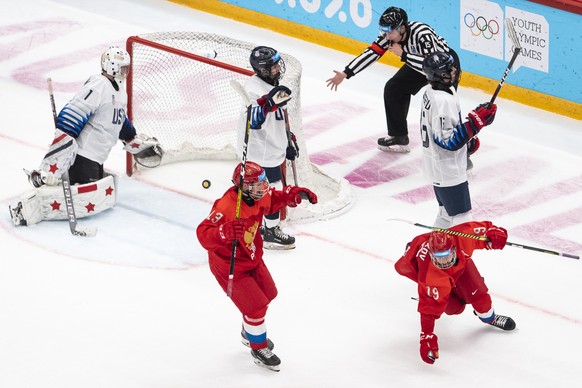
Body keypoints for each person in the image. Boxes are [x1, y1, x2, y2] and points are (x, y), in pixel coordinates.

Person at [9, 46, 162, 226]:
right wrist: (63, 144)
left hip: (96, 156)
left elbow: (117, 119)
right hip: (84, 155)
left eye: (127, 68)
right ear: (111, 66)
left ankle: (48, 182)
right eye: (122, 68)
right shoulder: (99, 85)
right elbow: (76, 110)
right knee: (86, 195)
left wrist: (131, 137)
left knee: (96, 193)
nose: (125, 72)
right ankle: (26, 207)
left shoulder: (120, 90)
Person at [196, 161, 317, 371]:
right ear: (244, 186)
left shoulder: (257, 196)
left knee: (268, 293)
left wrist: (292, 195)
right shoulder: (226, 207)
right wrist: (223, 232)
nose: (263, 187)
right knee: (256, 307)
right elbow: (203, 234)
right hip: (229, 265)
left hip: (252, 258)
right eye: (257, 184)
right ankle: (258, 347)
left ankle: (249, 332)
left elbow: (272, 201)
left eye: (263, 182)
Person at [326, 6, 462, 153]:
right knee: (394, 88)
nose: (387, 35)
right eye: (384, 31)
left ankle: (461, 149)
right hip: (419, 63)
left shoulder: (422, 34)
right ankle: (399, 136)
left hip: (445, 68)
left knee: (444, 105)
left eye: (390, 31)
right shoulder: (390, 36)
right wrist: (346, 73)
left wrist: (403, 55)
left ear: (402, 28)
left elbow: (432, 65)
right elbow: (372, 53)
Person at [394, 221, 516, 365]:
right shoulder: (430, 276)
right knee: (456, 308)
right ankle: (461, 292)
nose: (444, 261)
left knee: (480, 297)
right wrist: (427, 336)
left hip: (461, 267)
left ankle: (489, 318)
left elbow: (487, 228)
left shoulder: (462, 236)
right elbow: (428, 309)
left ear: (453, 248)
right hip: (439, 281)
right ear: (432, 256)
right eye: (439, 258)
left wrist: (496, 235)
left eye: (446, 255)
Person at [420, 52, 497, 228]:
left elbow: (442, 130)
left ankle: (436, 251)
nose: (455, 69)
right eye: (450, 68)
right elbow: (448, 141)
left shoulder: (433, 91)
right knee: (462, 220)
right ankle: (456, 255)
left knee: (446, 217)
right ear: (442, 75)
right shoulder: (442, 100)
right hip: (447, 170)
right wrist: (476, 123)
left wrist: (468, 138)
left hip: (437, 166)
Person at [237, 45, 299, 249]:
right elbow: (254, 120)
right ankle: (269, 231)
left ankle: (264, 227)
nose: (278, 69)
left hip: (273, 147)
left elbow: (281, 119)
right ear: (263, 69)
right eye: (273, 67)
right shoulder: (253, 88)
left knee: (268, 191)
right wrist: (269, 102)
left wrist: (289, 139)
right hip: (260, 151)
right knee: (269, 191)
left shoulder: (273, 84)